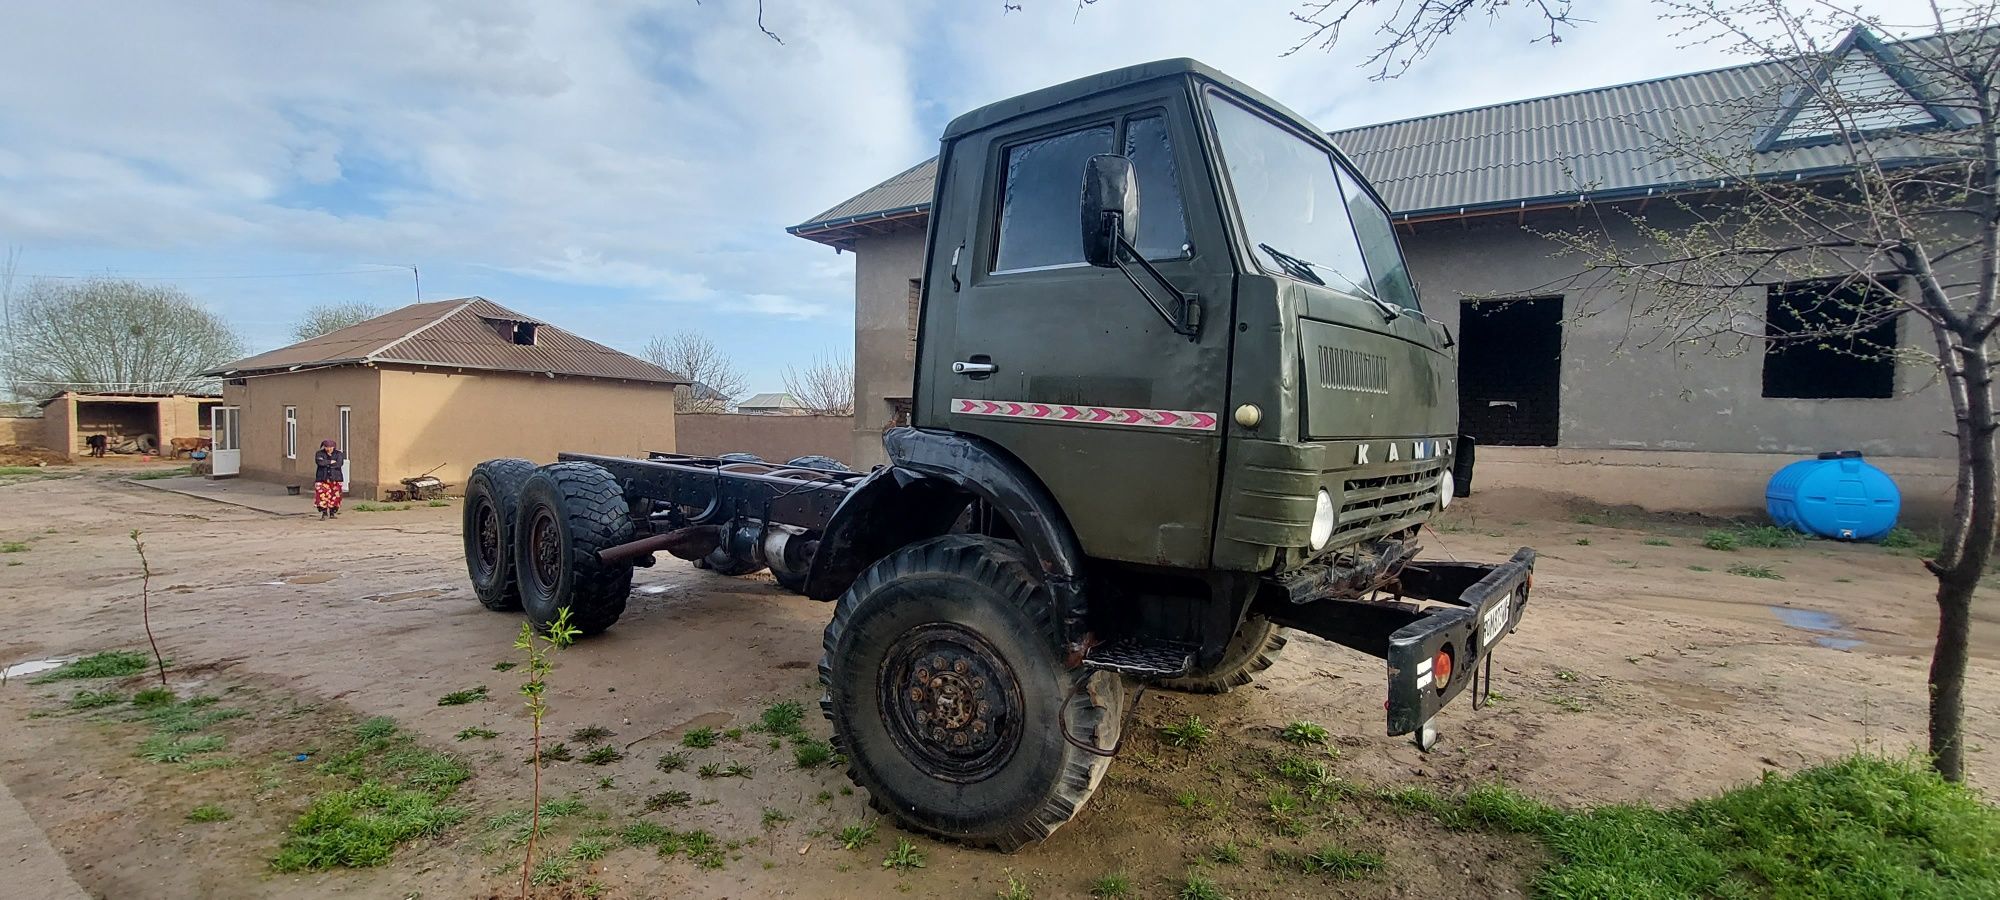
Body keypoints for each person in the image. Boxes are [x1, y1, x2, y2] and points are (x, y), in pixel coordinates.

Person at [314, 439, 346, 519]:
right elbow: (320, 462)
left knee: (335, 496)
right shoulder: (319, 453)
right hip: (322, 478)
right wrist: (330, 462)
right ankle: (324, 512)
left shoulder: (339, 454)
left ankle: (332, 512)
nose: (329, 449)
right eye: (327, 447)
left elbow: (339, 464)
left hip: (336, 478)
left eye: (331, 447)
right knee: (322, 496)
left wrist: (326, 463)